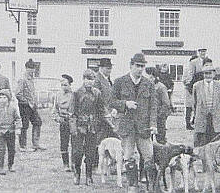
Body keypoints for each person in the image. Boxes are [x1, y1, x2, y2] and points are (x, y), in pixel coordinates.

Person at [110, 53, 158, 193]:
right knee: (129, 159)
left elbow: (153, 106)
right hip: (127, 127)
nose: (140, 69)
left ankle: (152, 187)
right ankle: (132, 187)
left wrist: (153, 124)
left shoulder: (148, 84)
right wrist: (125, 104)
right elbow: (111, 101)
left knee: (149, 159)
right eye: (137, 66)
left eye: (142, 66)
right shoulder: (119, 82)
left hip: (144, 128)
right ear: (131, 65)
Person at [69, 69, 104, 185]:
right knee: (77, 152)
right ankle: (77, 174)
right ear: (83, 80)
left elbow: (100, 111)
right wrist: (73, 129)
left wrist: (97, 124)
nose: (89, 82)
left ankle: (89, 176)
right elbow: (72, 113)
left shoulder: (97, 93)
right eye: (87, 79)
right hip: (79, 127)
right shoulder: (77, 93)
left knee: (91, 153)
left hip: (92, 127)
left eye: (91, 79)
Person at [192, 65, 220, 147]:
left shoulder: (219, 86)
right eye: (206, 73)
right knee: (201, 143)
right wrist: (197, 114)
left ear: (213, 74)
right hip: (202, 117)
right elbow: (194, 103)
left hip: (216, 117)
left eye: (210, 73)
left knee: (216, 144)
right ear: (203, 74)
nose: (208, 76)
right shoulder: (197, 86)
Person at [16, 59, 45, 151]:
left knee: (38, 122)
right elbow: (18, 94)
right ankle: (22, 146)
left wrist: (34, 103)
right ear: (26, 68)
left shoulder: (32, 80)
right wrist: (28, 103)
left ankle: (36, 144)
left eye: (33, 68)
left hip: (32, 106)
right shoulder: (22, 79)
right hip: (24, 106)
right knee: (24, 126)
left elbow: (32, 93)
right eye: (30, 68)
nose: (32, 70)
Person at [0, 89, 22, 175]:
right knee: (1, 150)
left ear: (8, 98)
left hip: (10, 131)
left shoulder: (13, 108)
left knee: (11, 149)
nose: (2, 99)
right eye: (0, 97)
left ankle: (11, 165)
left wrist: (18, 128)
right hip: (0, 132)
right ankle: (0, 167)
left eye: (4, 97)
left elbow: (18, 119)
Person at [52, 74, 74, 172]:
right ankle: (66, 164)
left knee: (75, 143)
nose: (63, 87)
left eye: (65, 85)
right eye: (62, 85)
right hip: (63, 122)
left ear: (70, 85)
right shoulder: (58, 95)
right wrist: (57, 118)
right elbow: (55, 109)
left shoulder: (74, 95)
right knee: (64, 144)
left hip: (73, 122)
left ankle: (74, 163)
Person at [145, 67, 171, 144]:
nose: (148, 79)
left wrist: (159, 116)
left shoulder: (161, 87)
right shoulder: (145, 87)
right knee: (148, 140)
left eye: (150, 77)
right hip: (148, 117)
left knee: (161, 140)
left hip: (159, 118)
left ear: (154, 77)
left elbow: (166, 104)